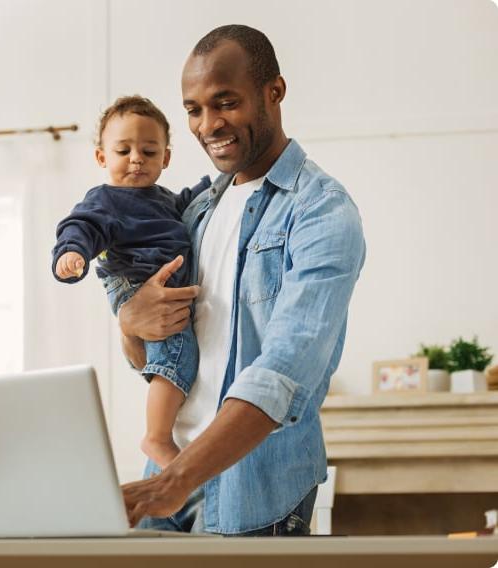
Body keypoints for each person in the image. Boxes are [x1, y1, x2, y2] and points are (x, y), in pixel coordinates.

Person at [119, 25, 366, 536]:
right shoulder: (193, 211)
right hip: (166, 476)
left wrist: (177, 480)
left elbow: (282, 374)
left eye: (225, 102)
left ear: (274, 91)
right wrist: (129, 324)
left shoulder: (321, 210)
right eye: (193, 109)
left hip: (255, 492)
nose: (208, 124)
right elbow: (157, 359)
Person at [52, 95, 210, 468]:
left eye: (149, 151)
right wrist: (71, 253)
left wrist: (214, 184)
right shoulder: (107, 200)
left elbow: (185, 205)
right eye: (123, 150)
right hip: (135, 282)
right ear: (101, 157)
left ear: (166, 158)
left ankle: (160, 432)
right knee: (176, 356)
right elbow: (82, 226)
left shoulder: (161, 199)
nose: (136, 158)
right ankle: (156, 437)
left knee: (174, 357)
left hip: (155, 284)